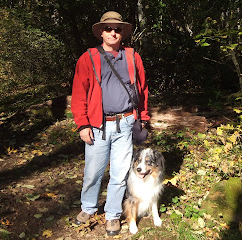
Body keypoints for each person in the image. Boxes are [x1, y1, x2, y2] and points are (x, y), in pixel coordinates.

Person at [71, 11, 150, 236]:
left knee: (120, 172)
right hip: (98, 125)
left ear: (122, 33)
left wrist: (142, 117)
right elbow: (79, 93)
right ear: (101, 33)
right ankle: (88, 207)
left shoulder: (133, 57)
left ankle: (113, 214)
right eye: (108, 29)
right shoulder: (88, 58)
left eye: (117, 29)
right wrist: (83, 124)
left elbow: (142, 90)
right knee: (93, 172)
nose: (113, 32)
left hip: (125, 123)